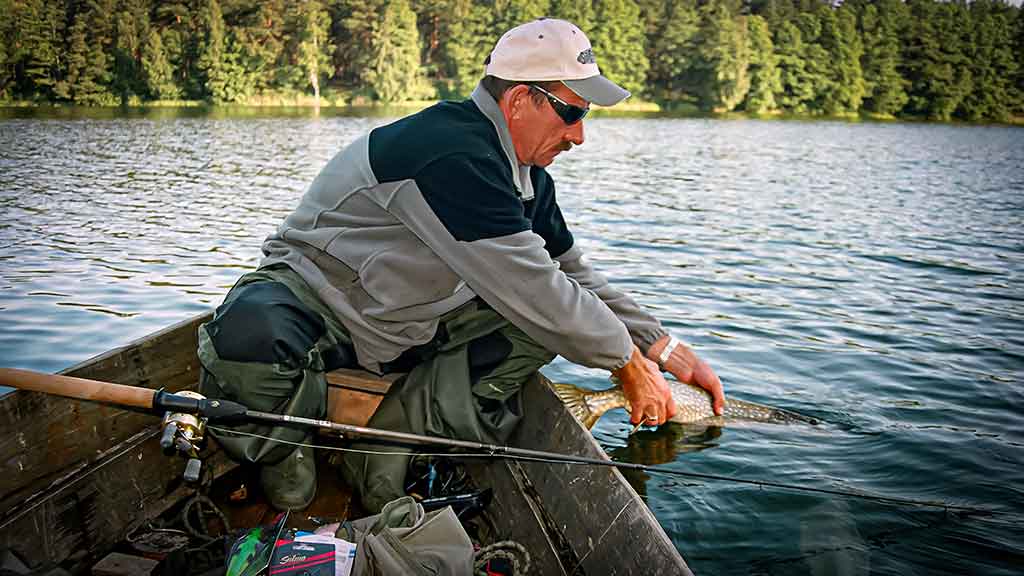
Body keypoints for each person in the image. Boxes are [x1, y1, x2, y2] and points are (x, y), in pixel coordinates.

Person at [197, 18, 725, 513]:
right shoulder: (450, 152)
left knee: (554, 328)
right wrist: (629, 368)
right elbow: (538, 288)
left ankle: (381, 450)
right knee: (249, 332)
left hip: (410, 323)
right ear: (520, 99)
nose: (580, 135)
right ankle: (285, 452)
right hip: (322, 305)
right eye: (574, 112)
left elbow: (573, 276)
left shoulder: (527, 178)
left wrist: (666, 349)